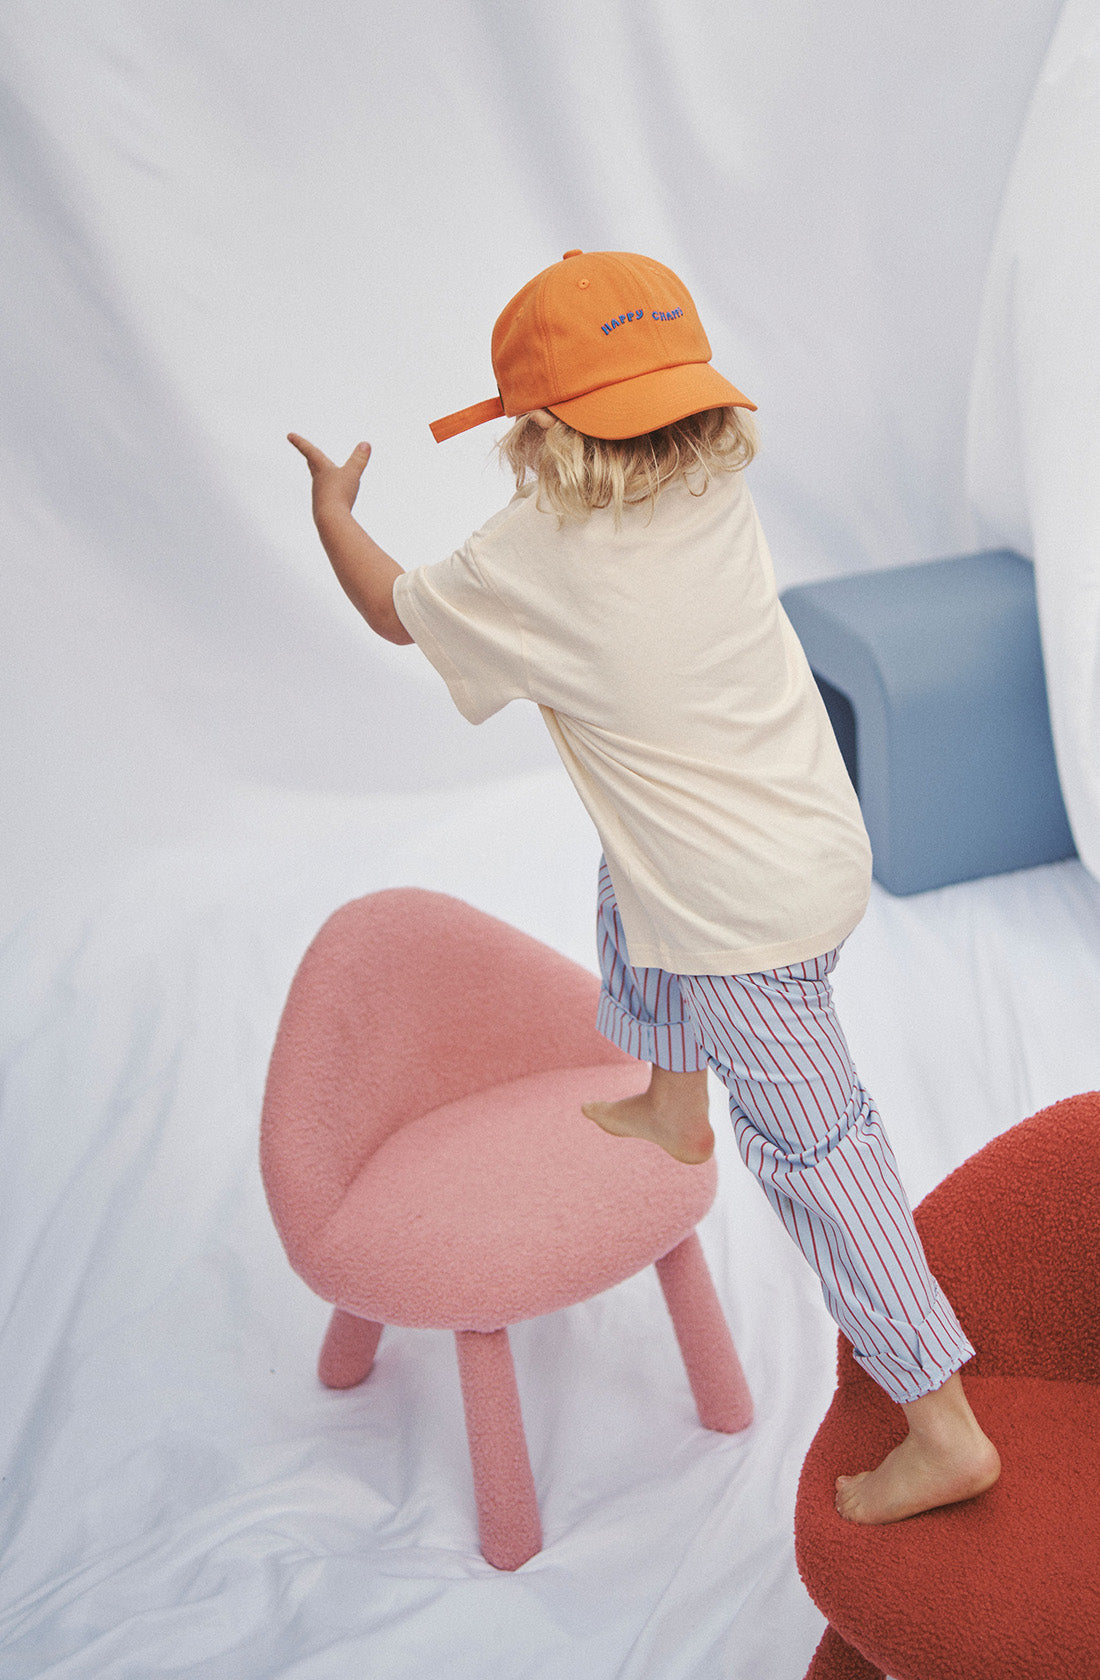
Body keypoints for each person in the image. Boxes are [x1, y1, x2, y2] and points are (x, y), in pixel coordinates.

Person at [288, 248, 1000, 1527]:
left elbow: (396, 615)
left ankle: (939, 1419)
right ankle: (676, 1103)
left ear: (538, 428)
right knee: (633, 873)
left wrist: (334, 512)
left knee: (822, 1157)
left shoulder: (530, 559)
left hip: (744, 929)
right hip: (815, 843)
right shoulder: (718, 492)